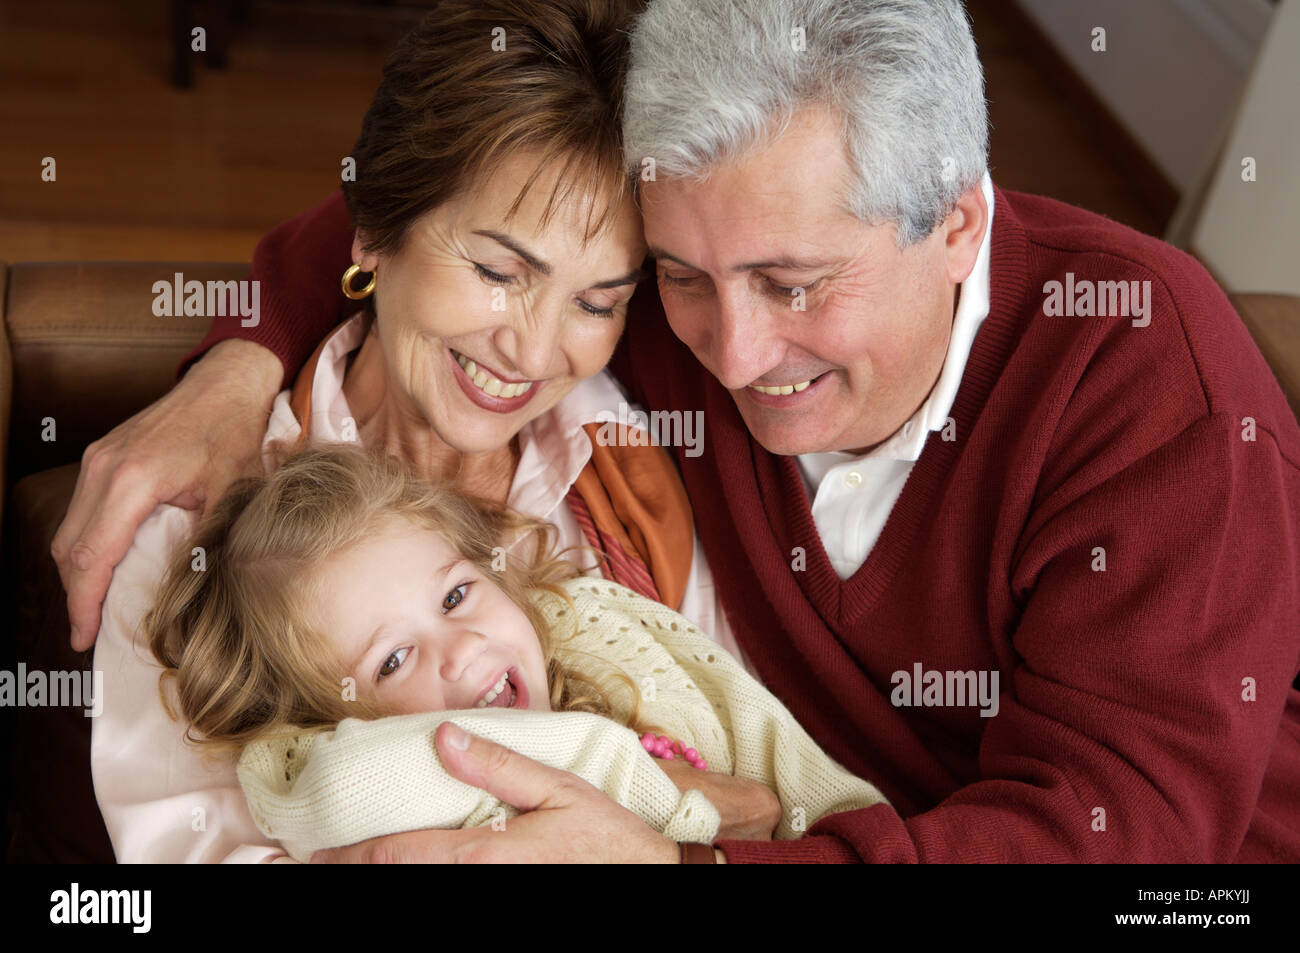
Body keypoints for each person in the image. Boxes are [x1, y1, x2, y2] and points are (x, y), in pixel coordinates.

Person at [59, 0, 1300, 863]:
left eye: (796, 282)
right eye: (676, 279)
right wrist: (236, 363)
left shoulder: (1147, 388)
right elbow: (440, 211)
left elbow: (1117, 840)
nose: (738, 359)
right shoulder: (646, 305)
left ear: (961, 224)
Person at [80, 0, 772, 864]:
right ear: (371, 231)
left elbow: (748, 780)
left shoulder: (630, 472)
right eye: (496, 270)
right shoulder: (199, 530)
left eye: (597, 301)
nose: (532, 349)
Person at [144, 444, 888, 862]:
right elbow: (339, 786)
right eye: (392, 661)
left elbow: (786, 761)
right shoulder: (363, 773)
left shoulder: (598, 624)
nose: (461, 649)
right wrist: (638, 778)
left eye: (457, 595)